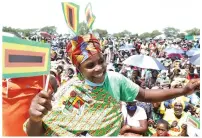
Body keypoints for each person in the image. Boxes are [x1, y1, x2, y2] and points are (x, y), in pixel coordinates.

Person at [25, 34, 200, 136]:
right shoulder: (70, 91)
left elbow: (145, 95)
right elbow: (38, 133)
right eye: (90, 65)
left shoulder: (116, 79)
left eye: (101, 61)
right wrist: (35, 119)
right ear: (78, 69)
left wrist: (183, 90)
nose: (99, 68)